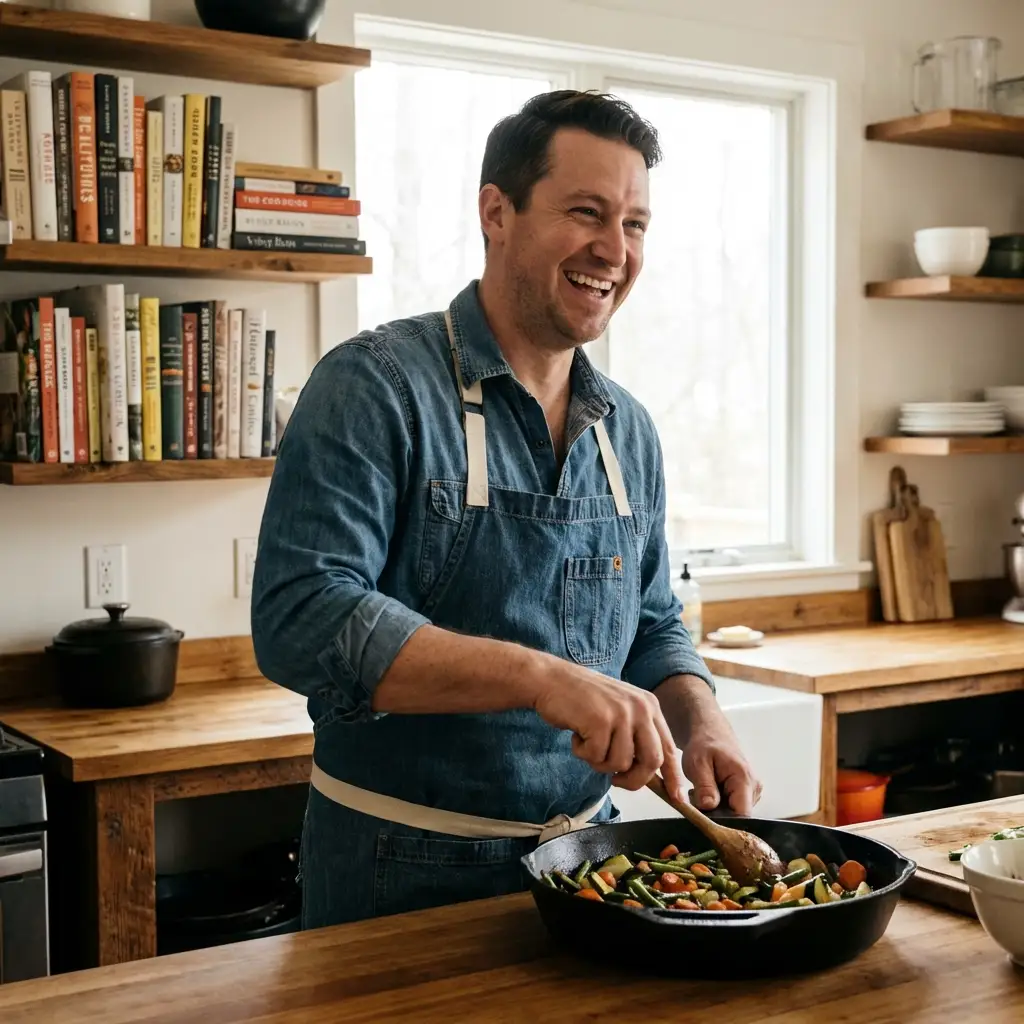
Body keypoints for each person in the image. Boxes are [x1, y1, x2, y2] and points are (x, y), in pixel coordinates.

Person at [251, 88, 762, 929]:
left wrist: (700, 718)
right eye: (587, 212)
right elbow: (301, 617)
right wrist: (540, 677)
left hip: (586, 873)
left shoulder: (627, 430)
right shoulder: (374, 385)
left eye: (635, 225)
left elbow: (652, 620)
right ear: (497, 211)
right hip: (396, 880)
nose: (614, 249)